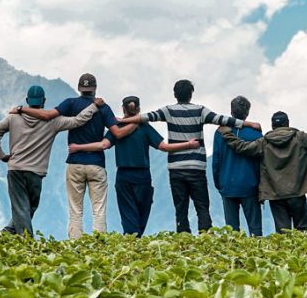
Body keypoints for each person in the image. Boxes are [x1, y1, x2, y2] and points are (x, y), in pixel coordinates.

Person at [118, 79, 260, 233]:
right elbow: (223, 119)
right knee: (202, 207)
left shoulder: (168, 111)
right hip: (196, 168)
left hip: (176, 169)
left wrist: (122, 120)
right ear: (191, 94)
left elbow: (145, 117)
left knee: (181, 208)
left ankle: (183, 240)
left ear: (174, 94)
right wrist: (249, 124)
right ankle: (205, 237)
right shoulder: (200, 111)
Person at [18, 73, 134, 238]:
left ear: (80, 88)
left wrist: (21, 109)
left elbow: (47, 115)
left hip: (75, 164)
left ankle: (75, 244)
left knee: (75, 209)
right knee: (98, 209)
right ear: (94, 89)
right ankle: (99, 246)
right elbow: (118, 133)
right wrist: (136, 123)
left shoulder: (70, 103)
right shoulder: (103, 108)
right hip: (96, 164)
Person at [69, 95, 203, 235]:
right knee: (142, 213)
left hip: (123, 176)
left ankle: (131, 240)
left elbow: (103, 145)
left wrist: (78, 147)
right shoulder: (145, 127)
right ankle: (136, 239)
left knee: (128, 214)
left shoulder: (117, 128)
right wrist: (189, 145)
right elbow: (164, 147)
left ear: (123, 109)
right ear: (138, 108)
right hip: (143, 176)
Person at [220, 110, 307, 232]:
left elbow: (241, 147)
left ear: (273, 126)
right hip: (297, 192)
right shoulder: (300, 138)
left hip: (275, 195)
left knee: (283, 234)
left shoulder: (263, 143)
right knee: (303, 231)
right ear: (288, 123)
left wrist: (226, 133)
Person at [0, 85, 98, 236]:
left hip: (15, 169)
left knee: (22, 208)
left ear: (27, 100)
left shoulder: (13, 118)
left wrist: (1, 155)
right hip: (36, 172)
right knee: (29, 207)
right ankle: (26, 241)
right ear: (44, 101)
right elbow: (78, 121)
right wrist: (94, 106)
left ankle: (7, 233)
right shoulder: (54, 122)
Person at [212, 95, 263, 236]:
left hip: (227, 185)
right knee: (255, 229)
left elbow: (216, 161)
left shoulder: (220, 133)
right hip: (250, 185)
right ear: (247, 112)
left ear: (231, 111)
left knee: (232, 230)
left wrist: (219, 183)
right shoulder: (256, 133)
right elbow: (261, 162)